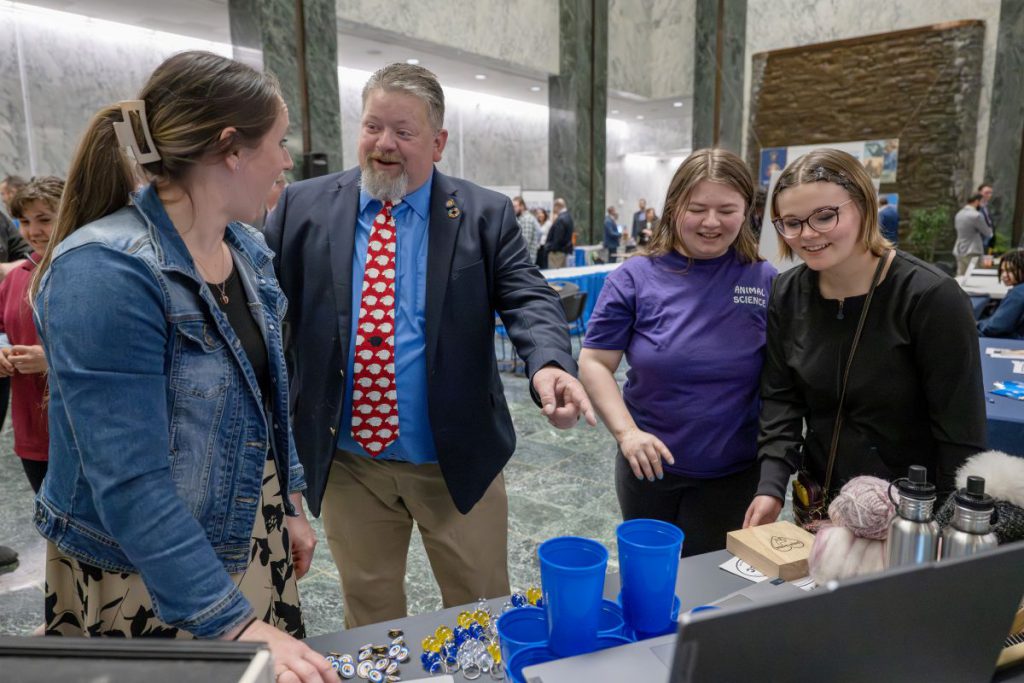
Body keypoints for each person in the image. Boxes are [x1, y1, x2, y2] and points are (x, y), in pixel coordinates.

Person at [32, 51, 333, 683]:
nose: (285, 162)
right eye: (277, 144)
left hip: (246, 524)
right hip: (146, 562)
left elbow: (266, 393)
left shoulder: (245, 248)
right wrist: (235, 623)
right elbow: (129, 480)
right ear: (230, 149)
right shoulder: (105, 271)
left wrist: (289, 503)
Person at [264, 63, 595, 628]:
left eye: (404, 132)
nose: (384, 145)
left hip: (455, 458)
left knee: (479, 607)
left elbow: (526, 295)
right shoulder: (303, 206)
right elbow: (262, 306)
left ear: (438, 143)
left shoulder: (483, 213)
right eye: (372, 127)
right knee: (368, 612)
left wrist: (547, 364)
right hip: (348, 462)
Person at [744, 149, 986, 529]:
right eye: (791, 223)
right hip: (819, 505)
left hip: (909, 515)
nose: (807, 234)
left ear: (864, 207)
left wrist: (934, 527)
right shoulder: (787, 292)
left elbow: (961, 435)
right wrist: (771, 485)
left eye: (825, 216)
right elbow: (781, 398)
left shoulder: (929, 297)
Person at [579, 149, 776, 556]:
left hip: (735, 474)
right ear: (674, 208)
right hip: (648, 471)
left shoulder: (765, 280)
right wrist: (626, 433)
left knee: (711, 593)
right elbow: (595, 361)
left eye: (727, 209)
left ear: (747, 212)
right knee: (651, 584)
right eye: (697, 208)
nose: (711, 222)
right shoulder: (634, 277)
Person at [3, 177, 62, 494]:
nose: (31, 231)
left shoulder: (83, 270)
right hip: (31, 429)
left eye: (44, 220)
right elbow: (2, 324)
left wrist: (50, 360)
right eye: (24, 221)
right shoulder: (16, 278)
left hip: (76, 430)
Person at [978, 249, 1024, 339]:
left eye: (1010, 270)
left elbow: (996, 327)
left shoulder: (1018, 293)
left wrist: (977, 324)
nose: (1004, 275)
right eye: (1002, 271)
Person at [953, 193, 991, 275]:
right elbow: (987, 233)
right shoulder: (976, 215)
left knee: (960, 277)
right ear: (977, 201)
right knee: (975, 277)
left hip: (959, 249)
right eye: (982, 201)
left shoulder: (959, 214)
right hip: (973, 250)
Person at [545, 197, 575, 268]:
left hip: (557, 254)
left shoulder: (560, 220)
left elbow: (558, 238)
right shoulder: (569, 217)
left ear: (557, 206)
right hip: (565, 251)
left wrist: (550, 248)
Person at [513, 195, 542, 264]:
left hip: (526, 260)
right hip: (524, 259)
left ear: (522, 206)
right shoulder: (522, 218)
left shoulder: (527, 219)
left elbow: (525, 242)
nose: (513, 209)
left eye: (515, 206)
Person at [979, 182, 995, 250]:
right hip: (978, 242)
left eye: (990, 193)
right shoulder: (975, 207)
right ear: (980, 193)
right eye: (986, 192)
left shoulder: (987, 207)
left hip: (987, 243)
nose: (989, 195)